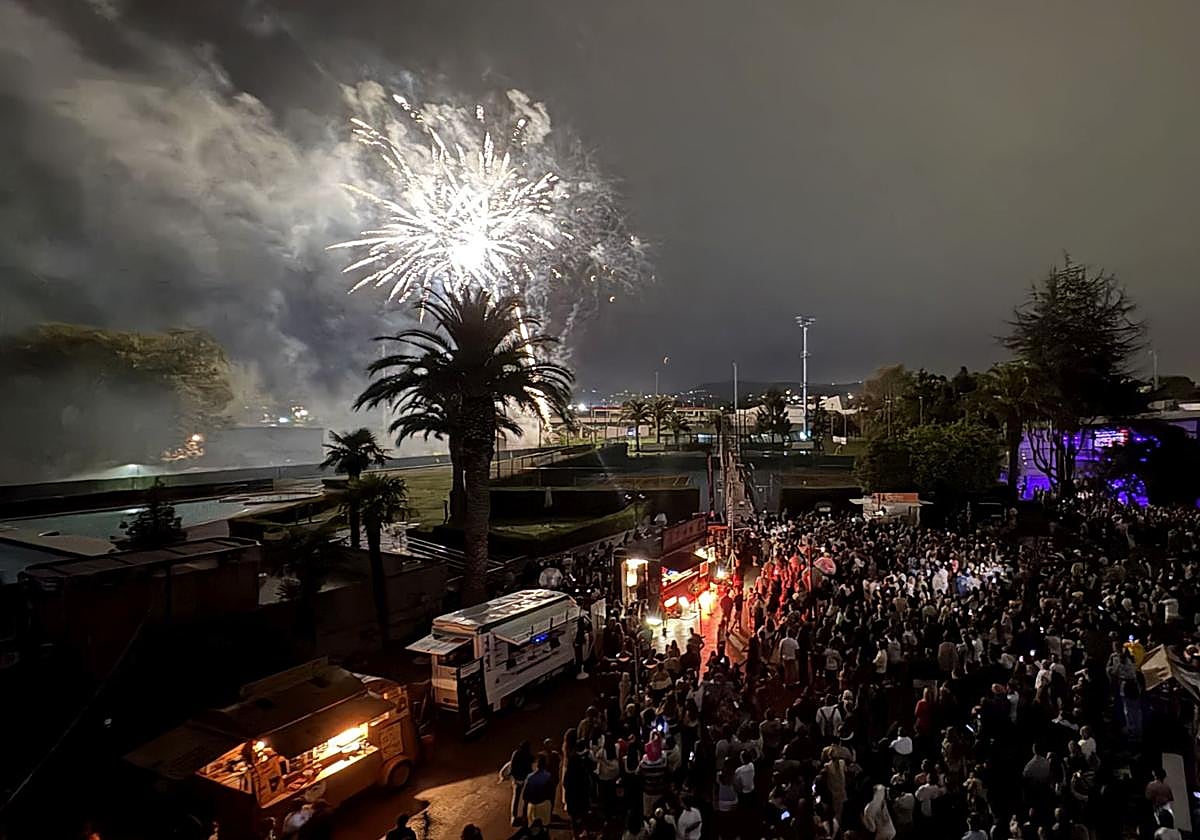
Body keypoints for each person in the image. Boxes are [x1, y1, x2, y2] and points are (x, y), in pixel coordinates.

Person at [506, 741, 535, 825]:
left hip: (517, 781)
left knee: (516, 799)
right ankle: (524, 816)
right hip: (525, 780)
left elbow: (512, 768)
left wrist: (515, 779)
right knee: (526, 799)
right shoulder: (528, 756)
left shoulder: (516, 754)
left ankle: (513, 817)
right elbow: (530, 769)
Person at [522, 756, 556, 826]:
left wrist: (524, 814)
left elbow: (525, 797)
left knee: (532, 828)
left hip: (532, 806)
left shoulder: (529, 777)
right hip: (544, 806)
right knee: (544, 827)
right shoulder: (548, 776)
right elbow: (552, 795)